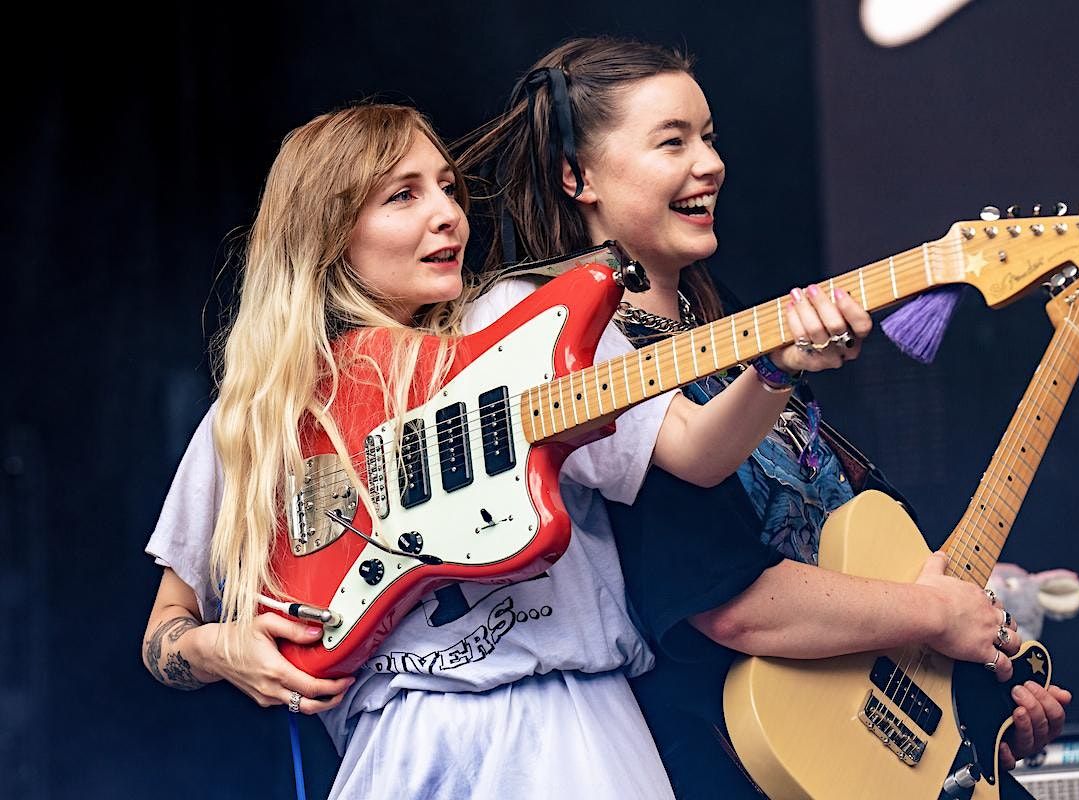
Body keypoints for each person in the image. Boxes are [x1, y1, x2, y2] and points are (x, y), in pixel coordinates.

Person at [141, 101, 861, 798]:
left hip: (569, 724)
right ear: (329, 234)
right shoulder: (262, 414)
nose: (447, 213)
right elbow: (165, 628)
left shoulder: (518, 325)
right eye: (403, 196)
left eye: (448, 187)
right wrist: (214, 650)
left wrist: (775, 366)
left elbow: (697, 452)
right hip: (393, 746)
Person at [458, 36, 1071, 798]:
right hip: (741, 763)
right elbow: (732, 605)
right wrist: (934, 614)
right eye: (672, 141)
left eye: (709, 137)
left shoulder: (727, 341)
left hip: (858, 749)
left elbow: (848, 567)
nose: (709, 163)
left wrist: (976, 704)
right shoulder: (574, 363)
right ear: (576, 176)